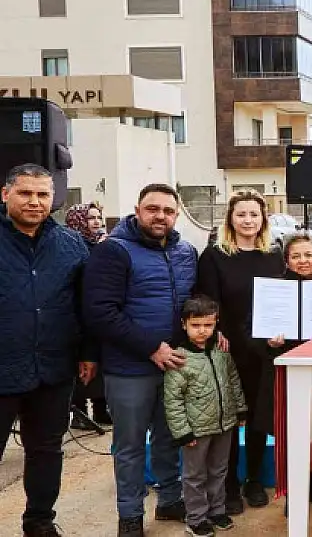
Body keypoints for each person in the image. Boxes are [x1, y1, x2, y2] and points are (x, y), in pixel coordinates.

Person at [83, 183, 198, 537]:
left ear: (176, 215)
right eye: (152, 209)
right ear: (137, 210)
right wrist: (151, 347)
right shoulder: (113, 251)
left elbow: (194, 304)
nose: (160, 216)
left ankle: (169, 501)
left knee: (169, 438)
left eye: (168, 210)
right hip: (129, 368)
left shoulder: (186, 251)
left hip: (175, 365)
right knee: (130, 446)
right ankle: (130, 515)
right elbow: (100, 312)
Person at [0, 164, 94, 537]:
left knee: (46, 451)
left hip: (53, 369)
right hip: (2, 368)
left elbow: (85, 306)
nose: (35, 202)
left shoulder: (71, 244)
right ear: (5, 194)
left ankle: (39, 521)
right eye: (25, 193)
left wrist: (88, 353)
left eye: (43, 194)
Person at [193, 190, 284, 514]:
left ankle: (255, 479)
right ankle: (228, 484)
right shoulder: (214, 255)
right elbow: (208, 301)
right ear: (230, 218)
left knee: (260, 418)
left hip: (265, 349)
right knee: (229, 421)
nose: (248, 220)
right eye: (241, 214)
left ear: (263, 219)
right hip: (228, 349)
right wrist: (218, 334)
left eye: (254, 215)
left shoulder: (275, 253)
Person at [259, 234, 312, 517]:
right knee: (292, 433)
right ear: (287, 261)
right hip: (287, 372)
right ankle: (294, 491)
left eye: (308, 255)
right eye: (296, 256)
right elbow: (255, 331)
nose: (303, 261)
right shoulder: (275, 290)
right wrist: (269, 342)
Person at [164, 296, 247, 537]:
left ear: (215, 324)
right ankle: (196, 517)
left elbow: (233, 380)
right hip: (195, 431)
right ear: (184, 324)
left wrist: (239, 408)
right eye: (196, 325)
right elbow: (173, 400)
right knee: (195, 475)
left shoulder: (221, 351)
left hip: (224, 424)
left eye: (208, 325)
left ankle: (216, 511)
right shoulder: (179, 359)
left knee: (219, 469)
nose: (202, 331)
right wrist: (182, 432)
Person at [64, 202, 113, 429]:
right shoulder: (71, 246)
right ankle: (80, 413)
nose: (96, 222)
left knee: (101, 365)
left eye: (98, 218)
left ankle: (102, 411)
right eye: (91, 218)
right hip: (76, 316)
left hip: (98, 315)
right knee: (79, 368)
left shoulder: (103, 245)